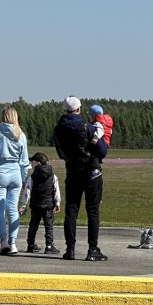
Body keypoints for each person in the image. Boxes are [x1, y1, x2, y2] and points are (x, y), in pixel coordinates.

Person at [54, 96, 107, 261]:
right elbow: (102, 150)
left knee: (71, 209)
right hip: (91, 170)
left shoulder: (58, 129)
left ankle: (70, 249)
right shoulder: (87, 126)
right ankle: (92, 249)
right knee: (92, 210)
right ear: (78, 109)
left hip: (72, 170)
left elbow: (60, 152)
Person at [0, 105, 30, 255]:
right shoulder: (20, 133)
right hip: (15, 172)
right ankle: (14, 242)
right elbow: (24, 161)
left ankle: (3, 241)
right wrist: (23, 178)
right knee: (12, 208)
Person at [19, 151, 61, 254]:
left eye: (32, 162)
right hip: (48, 205)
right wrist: (57, 203)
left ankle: (31, 245)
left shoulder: (32, 177)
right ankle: (49, 246)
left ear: (38, 163)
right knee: (49, 226)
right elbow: (56, 190)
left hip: (36, 205)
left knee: (33, 225)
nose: (31, 164)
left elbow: (27, 192)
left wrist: (24, 205)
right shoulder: (53, 176)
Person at [87, 104, 114, 180]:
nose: (90, 118)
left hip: (100, 144)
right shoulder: (105, 124)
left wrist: (95, 139)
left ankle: (96, 170)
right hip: (105, 144)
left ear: (94, 116)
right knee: (95, 156)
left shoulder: (97, 123)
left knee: (92, 154)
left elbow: (100, 131)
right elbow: (110, 132)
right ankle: (97, 166)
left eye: (90, 116)